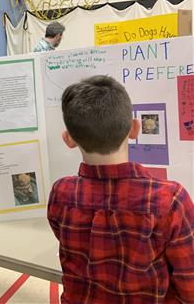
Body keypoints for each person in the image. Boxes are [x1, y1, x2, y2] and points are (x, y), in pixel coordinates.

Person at [48, 75, 194, 303]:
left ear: (69, 139)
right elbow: (189, 284)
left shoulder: (61, 193)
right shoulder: (171, 200)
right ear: (135, 129)